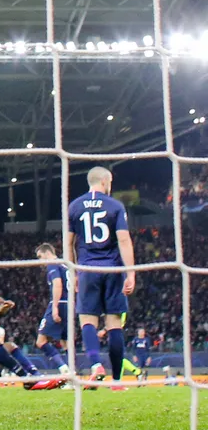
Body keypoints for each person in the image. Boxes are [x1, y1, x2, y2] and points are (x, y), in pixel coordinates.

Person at [66, 166, 134, 389]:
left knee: (88, 322)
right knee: (114, 324)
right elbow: (123, 240)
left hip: (87, 269)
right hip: (113, 270)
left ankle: (96, 365)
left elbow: (68, 244)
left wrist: (73, 272)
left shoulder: (74, 206)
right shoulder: (115, 206)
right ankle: (116, 381)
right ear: (105, 181)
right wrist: (130, 272)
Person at [34, 243, 71, 377]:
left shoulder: (53, 264)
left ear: (47, 253)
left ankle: (64, 370)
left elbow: (57, 284)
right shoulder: (65, 265)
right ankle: (72, 374)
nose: (39, 260)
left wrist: (55, 307)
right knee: (66, 343)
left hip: (59, 303)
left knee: (41, 341)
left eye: (40, 256)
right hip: (70, 304)